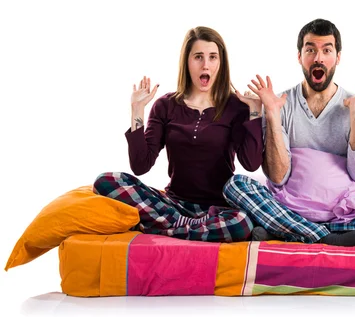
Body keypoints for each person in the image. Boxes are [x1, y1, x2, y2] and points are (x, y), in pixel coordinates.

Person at [223, 18, 355, 247]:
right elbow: (277, 177)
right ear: (299, 56)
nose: (318, 58)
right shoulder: (280, 103)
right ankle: (332, 237)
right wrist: (271, 114)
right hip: (290, 206)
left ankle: (290, 230)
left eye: (326, 50)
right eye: (310, 49)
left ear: (338, 57)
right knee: (235, 185)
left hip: (345, 211)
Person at [93, 26, 264, 242]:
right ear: (187, 61)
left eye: (213, 57)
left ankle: (163, 228)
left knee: (242, 223)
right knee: (105, 181)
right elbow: (140, 165)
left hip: (217, 209)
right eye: (198, 57)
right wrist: (137, 111)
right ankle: (187, 227)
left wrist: (255, 111)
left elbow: (250, 163)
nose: (206, 65)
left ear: (221, 63)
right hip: (172, 205)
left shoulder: (236, 107)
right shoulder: (165, 105)